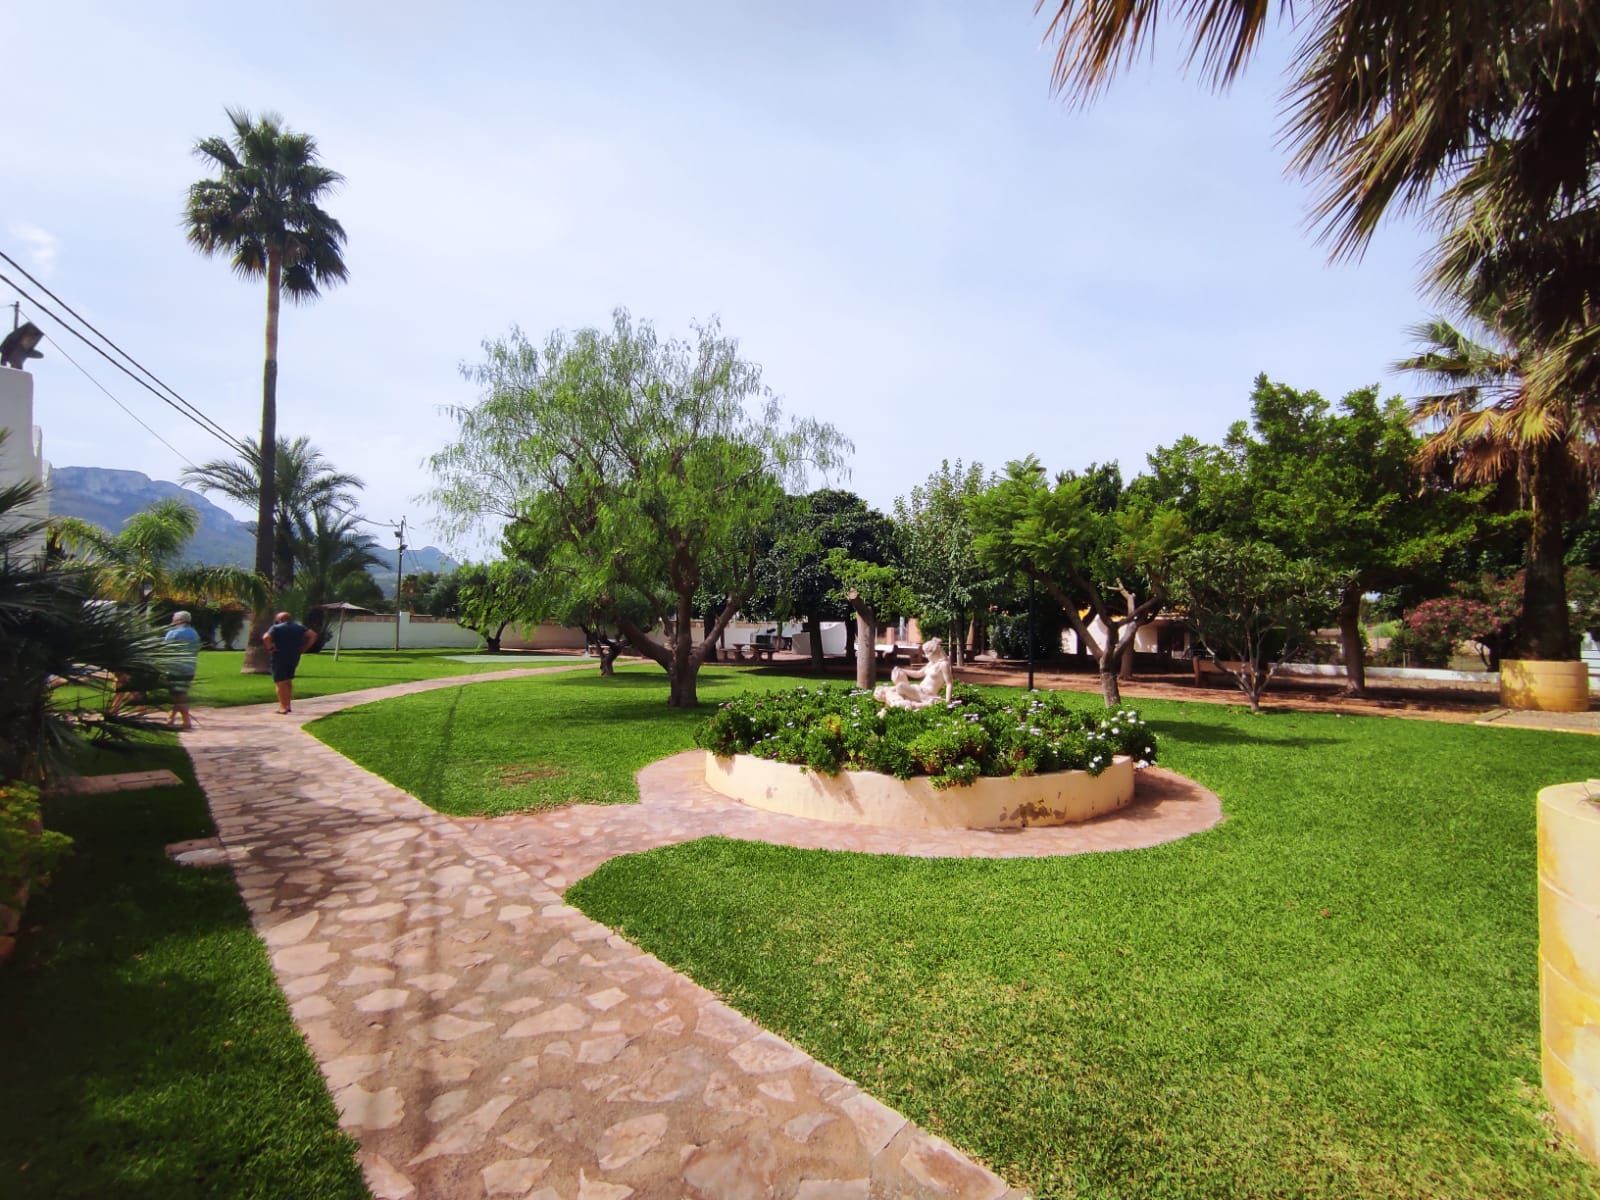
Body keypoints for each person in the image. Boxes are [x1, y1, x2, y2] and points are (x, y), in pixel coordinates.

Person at [874, 637, 954, 709]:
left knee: (900, 687)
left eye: (926, 653)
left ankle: (910, 704)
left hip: (926, 694)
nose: (926, 656)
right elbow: (918, 673)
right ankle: (891, 695)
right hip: (918, 688)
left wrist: (947, 702)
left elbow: (949, 683)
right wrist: (902, 670)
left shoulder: (944, 664)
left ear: (933, 653)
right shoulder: (932, 663)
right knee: (897, 686)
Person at [262, 610, 317, 714]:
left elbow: (266, 637)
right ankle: (288, 705)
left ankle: (283, 707)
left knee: (280, 682)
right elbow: (313, 635)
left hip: (280, 656)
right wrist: (304, 648)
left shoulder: (276, 628)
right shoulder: (299, 627)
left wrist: (270, 648)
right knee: (288, 680)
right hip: (294, 656)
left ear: (279, 620)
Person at [163, 610, 202, 729]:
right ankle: (171, 718)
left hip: (174, 668)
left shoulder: (173, 633)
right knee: (181, 694)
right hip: (190, 667)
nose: (172, 622)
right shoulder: (194, 633)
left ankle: (186, 720)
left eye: (174, 620)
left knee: (177, 695)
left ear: (179, 621)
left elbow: (165, 650)